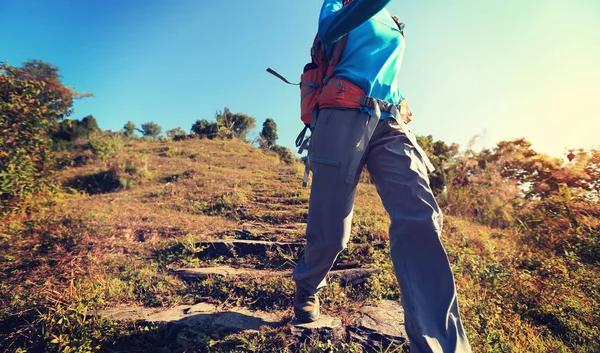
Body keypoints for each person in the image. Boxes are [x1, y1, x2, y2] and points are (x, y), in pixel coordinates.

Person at [291, 1, 473, 352]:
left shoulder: (394, 20)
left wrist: (401, 101)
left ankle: (440, 345)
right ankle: (308, 284)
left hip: (390, 121)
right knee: (332, 231)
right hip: (341, 113)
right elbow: (330, 31)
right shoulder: (340, 4)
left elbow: (385, 69)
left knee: (420, 218)